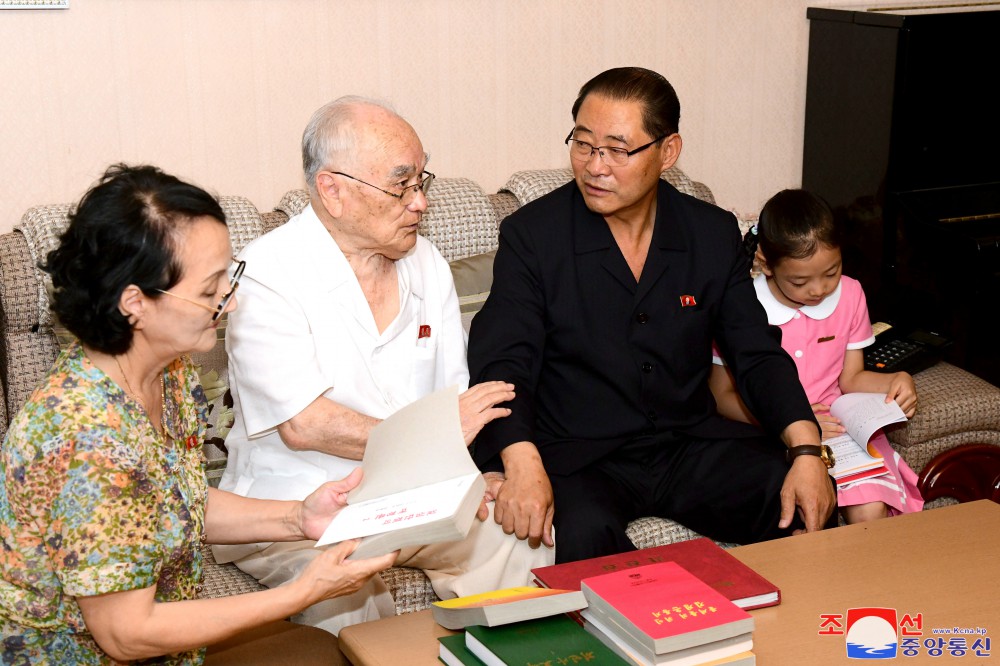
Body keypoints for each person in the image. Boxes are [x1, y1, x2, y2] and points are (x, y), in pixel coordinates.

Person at [0, 164, 397, 665]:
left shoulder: (164, 372)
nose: (229, 304)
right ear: (134, 304)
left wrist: (299, 517)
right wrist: (301, 592)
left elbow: (175, 501)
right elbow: (127, 634)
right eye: (210, 291)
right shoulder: (86, 437)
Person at [467, 67, 838, 565]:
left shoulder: (709, 233)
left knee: (794, 497)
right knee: (577, 537)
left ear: (668, 151)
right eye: (582, 143)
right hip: (579, 456)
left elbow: (755, 352)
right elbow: (503, 361)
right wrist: (521, 461)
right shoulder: (533, 237)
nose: (595, 166)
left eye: (618, 149)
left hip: (686, 443)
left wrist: (807, 449)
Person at [215, 96, 553, 635]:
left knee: (516, 540)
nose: (419, 203)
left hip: (413, 495)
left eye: (423, 181)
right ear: (333, 189)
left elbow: (452, 399)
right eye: (401, 185)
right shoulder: (266, 274)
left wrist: (470, 474)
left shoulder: (426, 263)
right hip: (297, 507)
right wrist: (437, 437)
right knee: (349, 598)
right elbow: (306, 426)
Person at [709, 189, 924, 523]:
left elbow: (850, 378)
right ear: (765, 262)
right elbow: (721, 397)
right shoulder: (742, 306)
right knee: (799, 508)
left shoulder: (850, 294)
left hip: (837, 430)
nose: (819, 290)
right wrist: (789, 421)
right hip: (766, 430)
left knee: (870, 507)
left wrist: (897, 381)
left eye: (831, 272)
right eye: (800, 281)